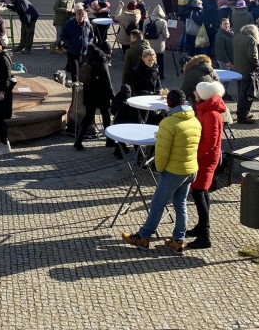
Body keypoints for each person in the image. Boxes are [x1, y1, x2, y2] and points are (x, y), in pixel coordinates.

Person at [122, 88, 200, 254]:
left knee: (158, 203)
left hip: (173, 171)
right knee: (181, 203)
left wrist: (160, 168)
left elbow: (162, 152)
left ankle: (143, 237)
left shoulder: (168, 123)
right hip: (190, 170)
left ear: (169, 103)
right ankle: (178, 240)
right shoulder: (195, 121)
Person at [188, 80, 226, 250]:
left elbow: (209, 142)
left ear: (202, 95)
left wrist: (194, 156)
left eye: (196, 92)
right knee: (201, 192)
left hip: (206, 159)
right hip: (204, 157)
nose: (194, 94)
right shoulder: (205, 108)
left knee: (198, 192)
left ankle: (205, 235)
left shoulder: (210, 114)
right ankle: (201, 228)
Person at [74, 42, 114, 151]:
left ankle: (78, 140)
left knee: (88, 116)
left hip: (88, 93)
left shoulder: (87, 59)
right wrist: (112, 96)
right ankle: (109, 140)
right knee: (105, 116)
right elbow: (107, 81)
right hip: (101, 94)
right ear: (106, 52)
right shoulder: (102, 62)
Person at [234, 23, 259, 124]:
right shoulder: (250, 40)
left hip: (238, 69)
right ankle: (243, 116)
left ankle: (241, 113)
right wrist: (257, 64)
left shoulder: (237, 37)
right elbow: (252, 56)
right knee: (247, 94)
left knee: (241, 93)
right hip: (247, 70)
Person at [60, 4, 93, 83]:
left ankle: (79, 83)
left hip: (83, 53)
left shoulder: (88, 25)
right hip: (72, 52)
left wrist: (88, 44)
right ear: (76, 15)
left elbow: (91, 36)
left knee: (82, 70)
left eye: (81, 18)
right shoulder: (69, 24)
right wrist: (69, 43)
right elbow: (62, 35)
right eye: (78, 18)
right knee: (75, 71)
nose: (79, 19)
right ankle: (76, 86)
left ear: (84, 18)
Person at [144, 5, 170, 75]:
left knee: (149, 59)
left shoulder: (146, 20)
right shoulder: (163, 22)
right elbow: (166, 34)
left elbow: (143, 32)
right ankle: (160, 74)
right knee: (160, 60)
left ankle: (150, 73)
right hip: (159, 44)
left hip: (148, 44)